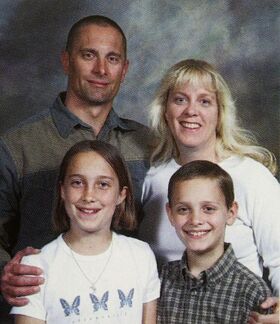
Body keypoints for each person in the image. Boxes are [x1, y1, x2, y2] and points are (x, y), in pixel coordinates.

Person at [0, 15, 152, 318]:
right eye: (88, 55)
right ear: (66, 61)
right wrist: (5, 271)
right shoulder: (17, 146)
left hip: (126, 308)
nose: (101, 70)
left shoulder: (149, 144)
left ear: (125, 70)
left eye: (112, 58)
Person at [138, 59, 280, 321]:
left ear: (219, 113)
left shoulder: (252, 177)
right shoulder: (152, 178)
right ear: (165, 111)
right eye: (180, 100)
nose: (191, 111)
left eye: (204, 101)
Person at [10, 139, 159, 323]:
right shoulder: (36, 266)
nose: (89, 196)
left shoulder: (141, 255)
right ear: (62, 190)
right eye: (77, 183)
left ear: (121, 194)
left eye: (103, 184)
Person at [158, 160, 272, 323]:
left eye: (209, 209)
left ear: (231, 213)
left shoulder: (253, 291)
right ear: (170, 214)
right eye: (183, 209)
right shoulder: (161, 280)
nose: (195, 220)